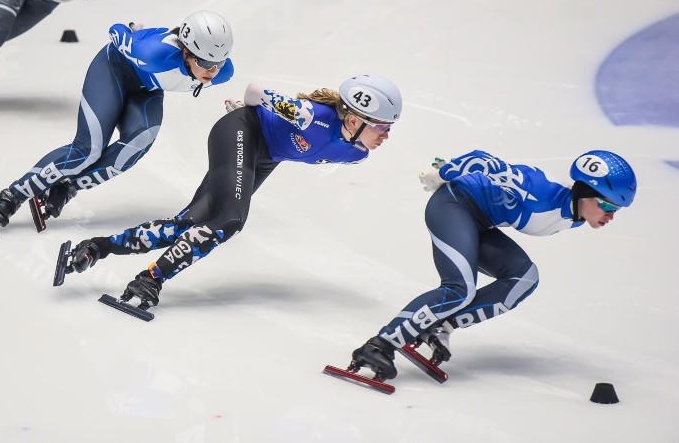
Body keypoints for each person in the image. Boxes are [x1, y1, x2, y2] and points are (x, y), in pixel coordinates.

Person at [58, 73, 403, 309]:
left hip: (263, 156)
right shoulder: (310, 115)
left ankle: (97, 247)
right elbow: (255, 92)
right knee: (230, 220)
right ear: (354, 120)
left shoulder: (356, 153)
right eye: (382, 127)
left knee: (189, 224)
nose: (386, 136)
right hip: (241, 131)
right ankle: (151, 279)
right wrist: (248, 110)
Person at [348, 149, 637, 382]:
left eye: (618, 210)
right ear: (585, 193)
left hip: (479, 221)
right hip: (453, 205)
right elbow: (482, 160)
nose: (612, 216)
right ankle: (378, 346)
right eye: (609, 206)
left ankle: (440, 327)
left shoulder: (576, 214)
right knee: (459, 289)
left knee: (525, 278)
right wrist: (443, 173)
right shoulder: (537, 191)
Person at [0, 10, 235, 234]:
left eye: (218, 64)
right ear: (187, 53)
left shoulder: (223, 72)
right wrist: (131, 33)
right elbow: (115, 30)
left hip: (147, 90)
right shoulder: (154, 53)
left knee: (138, 144)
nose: (212, 73)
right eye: (204, 63)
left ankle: (68, 185)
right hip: (114, 70)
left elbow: (215, 70)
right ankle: (11, 196)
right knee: (88, 149)